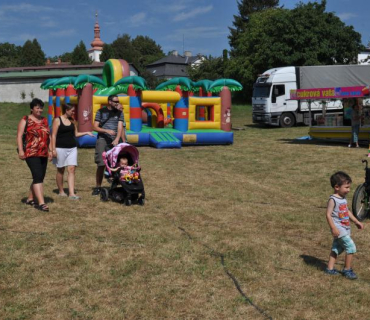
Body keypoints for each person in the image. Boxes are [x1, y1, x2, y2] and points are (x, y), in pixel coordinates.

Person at [325, 171, 364, 279]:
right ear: (337, 187)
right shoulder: (333, 199)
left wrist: (356, 221)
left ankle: (329, 268)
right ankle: (347, 270)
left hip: (345, 228)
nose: (349, 190)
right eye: (346, 187)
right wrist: (333, 228)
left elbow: (347, 211)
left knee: (337, 248)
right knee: (351, 247)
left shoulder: (343, 198)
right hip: (339, 229)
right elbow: (328, 215)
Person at [51, 104, 94, 199]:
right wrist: (53, 149)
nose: (73, 112)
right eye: (72, 111)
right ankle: (61, 191)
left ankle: (71, 193)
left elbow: (76, 134)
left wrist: (86, 133)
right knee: (61, 169)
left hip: (72, 148)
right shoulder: (57, 120)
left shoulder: (73, 121)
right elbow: (53, 135)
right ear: (66, 110)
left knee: (72, 169)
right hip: (60, 148)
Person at [17, 98, 52, 212]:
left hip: (43, 152)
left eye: (41, 107)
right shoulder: (25, 119)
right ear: (32, 109)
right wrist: (21, 151)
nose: (40, 110)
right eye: (37, 107)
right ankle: (41, 203)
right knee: (37, 176)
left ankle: (30, 198)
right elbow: (19, 136)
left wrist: (51, 150)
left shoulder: (45, 120)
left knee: (40, 176)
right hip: (31, 152)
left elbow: (49, 136)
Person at [92, 95, 126, 195]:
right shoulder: (101, 112)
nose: (117, 103)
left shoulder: (120, 113)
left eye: (118, 101)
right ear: (109, 102)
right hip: (102, 139)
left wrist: (117, 139)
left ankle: (114, 187)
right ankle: (98, 186)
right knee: (101, 164)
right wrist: (106, 130)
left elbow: (120, 128)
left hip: (114, 140)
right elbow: (95, 127)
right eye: (115, 101)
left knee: (117, 164)